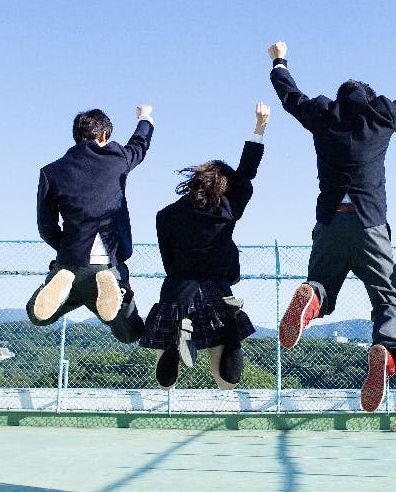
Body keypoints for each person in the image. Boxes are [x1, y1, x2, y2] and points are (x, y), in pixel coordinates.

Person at [268, 39, 396, 412]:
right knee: (386, 299)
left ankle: (312, 299)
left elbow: (290, 96)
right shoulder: (382, 115)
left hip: (331, 219)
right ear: (369, 98)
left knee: (321, 284)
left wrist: (279, 61)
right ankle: (385, 350)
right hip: (370, 221)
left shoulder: (323, 114)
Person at [140, 103, 270, 390]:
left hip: (177, 290)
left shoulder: (166, 216)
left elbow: (168, 261)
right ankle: (231, 328)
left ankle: (175, 344)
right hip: (215, 290)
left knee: (165, 385)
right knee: (226, 383)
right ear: (224, 186)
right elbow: (246, 175)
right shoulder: (226, 210)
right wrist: (259, 128)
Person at [29, 106, 153, 343]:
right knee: (130, 333)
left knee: (38, 316)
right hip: (109, 265)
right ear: (104, 135)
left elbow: (45, 227)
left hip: (70, 264)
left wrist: (66, 248)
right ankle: (119, 294)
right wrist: (145, 116)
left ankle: (56, 286)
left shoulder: (51, 171)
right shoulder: (118, 158)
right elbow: (140, 143)